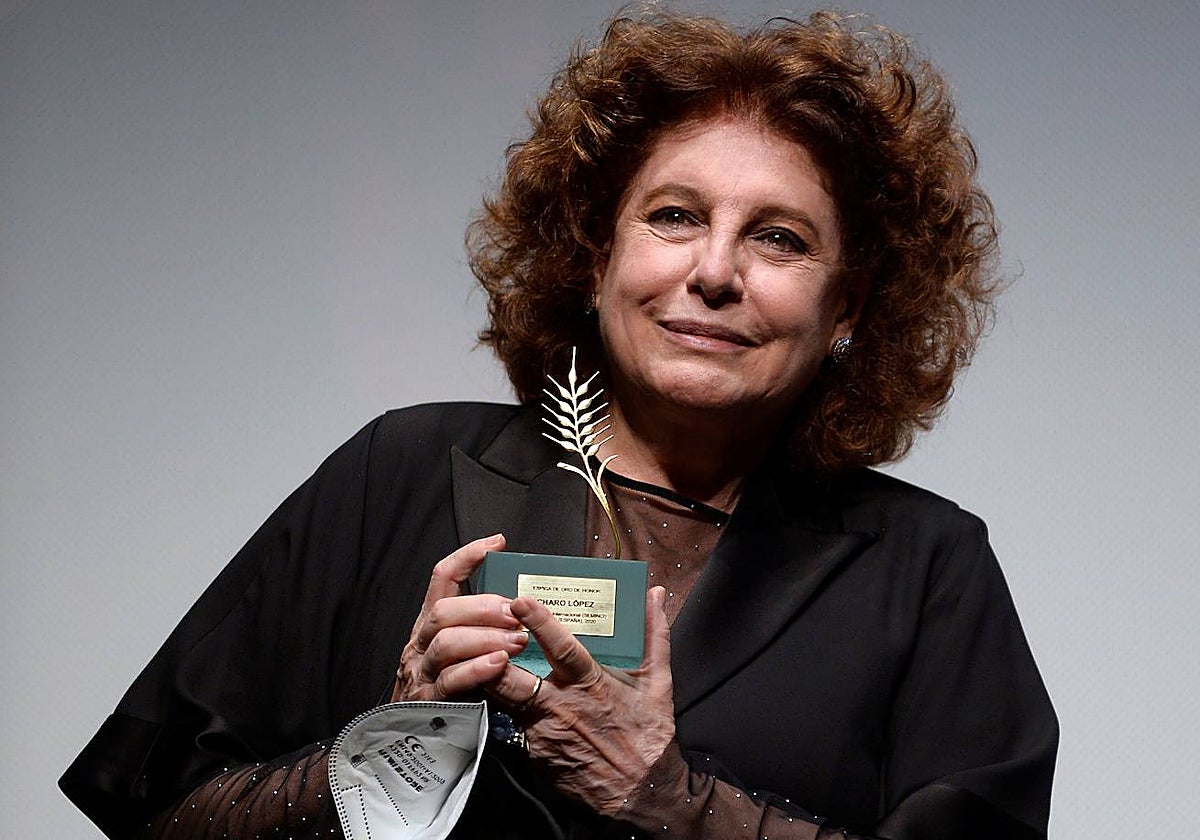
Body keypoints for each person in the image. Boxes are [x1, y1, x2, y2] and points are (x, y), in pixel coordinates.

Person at [61, 10, 1058, 840]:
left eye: (779, 238)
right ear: (594, 255)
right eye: (674, 216)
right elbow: (153, 811)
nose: (714, 271)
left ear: (847, 308)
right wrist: (387, 755)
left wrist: (669, 800)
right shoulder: (401, 469)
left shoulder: (927, 569)